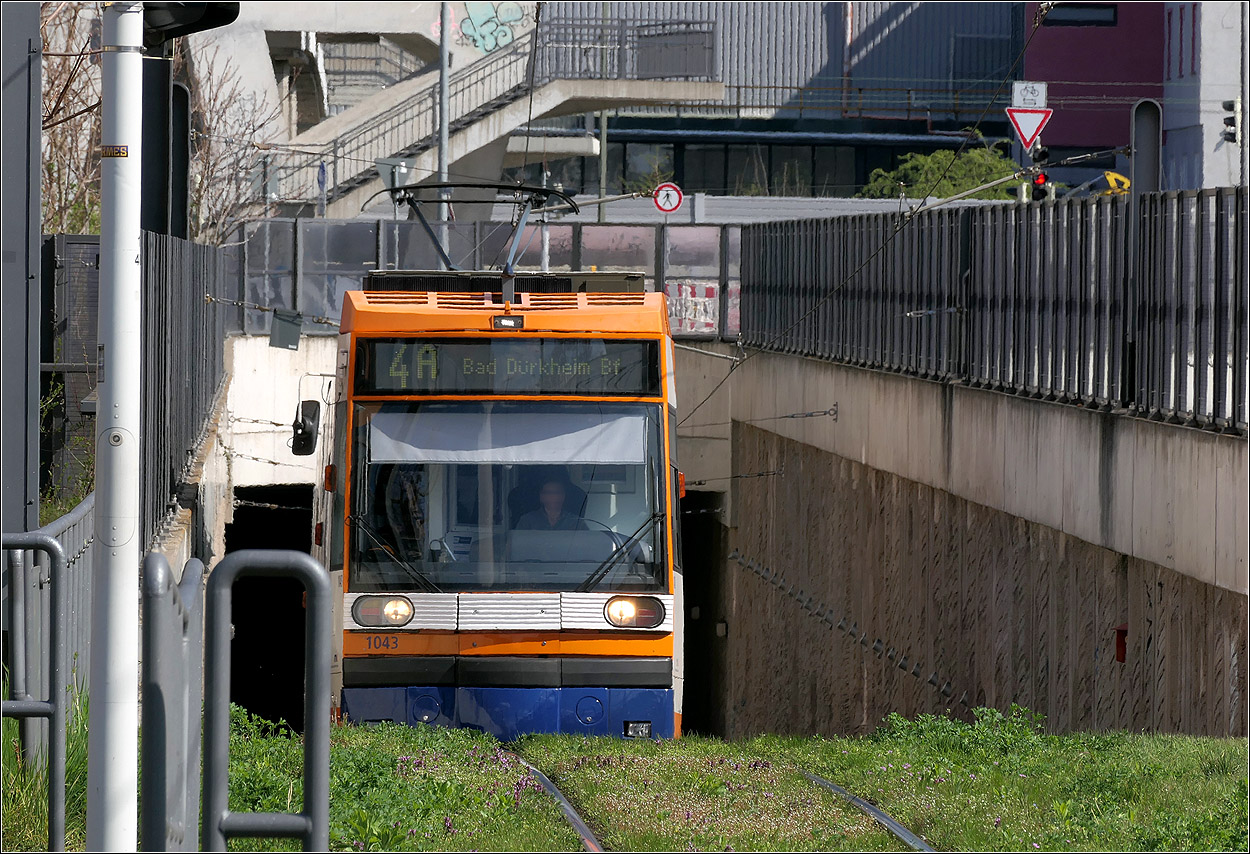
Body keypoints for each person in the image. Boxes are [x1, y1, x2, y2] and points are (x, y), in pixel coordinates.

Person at [514, 477, 587, 531]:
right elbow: (517, 546)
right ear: (541, 497)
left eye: (557, 492)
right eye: (548, 493)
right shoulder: (527, 521)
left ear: (563, 496)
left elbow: (588, 545)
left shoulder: (576, 522)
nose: (553, 496)